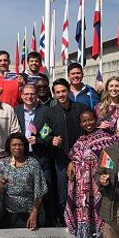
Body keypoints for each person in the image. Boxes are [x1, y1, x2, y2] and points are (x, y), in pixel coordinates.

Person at [64, 110, 118, 238]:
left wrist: (104, 176)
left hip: (99, 187)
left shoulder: (107, 139)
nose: (88, 123)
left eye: (90, 120)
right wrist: (71, 163)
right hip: (81, 189)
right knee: (85, 220)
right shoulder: (79, 141)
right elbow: (74, 156)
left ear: (96, 120)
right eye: (84, 121)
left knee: (100, 220)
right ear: (80, 124)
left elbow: (112, 160)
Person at [41, 78, 88, 224]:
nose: (61, 94)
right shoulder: (50, 112)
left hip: (81, 159)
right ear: (54, 94)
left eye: (63, 91)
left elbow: (89, 128)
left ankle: (82, 221)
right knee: (63, 194)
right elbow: (43, 133)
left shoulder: (80, 108)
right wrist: (51, 139)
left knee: (82, 192)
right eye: (58, 92)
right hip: (61, 160)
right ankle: (64, 221)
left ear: (68, 91)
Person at [14, 84, 55, 225]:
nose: (29, 97)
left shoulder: (46, 111)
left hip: (40, 156)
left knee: (46, 190)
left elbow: (49, 131)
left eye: (32, 94)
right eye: (26, 94)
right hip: (22, 157)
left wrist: (38, 140)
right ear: (22, 95)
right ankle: (25, 221)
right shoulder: (16, 111)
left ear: (37, 95)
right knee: (25, 190)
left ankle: (49, 221)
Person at [0, 133, 48, 229]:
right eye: (14, 145)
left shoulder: (33, 163)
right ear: (9, 146)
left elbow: (40, 190)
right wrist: (1, 184)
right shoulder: (2, 164)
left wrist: (34, 212)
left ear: (25, 146)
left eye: (20, 145)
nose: (17, 147)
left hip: (28, 211)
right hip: (8, 211)